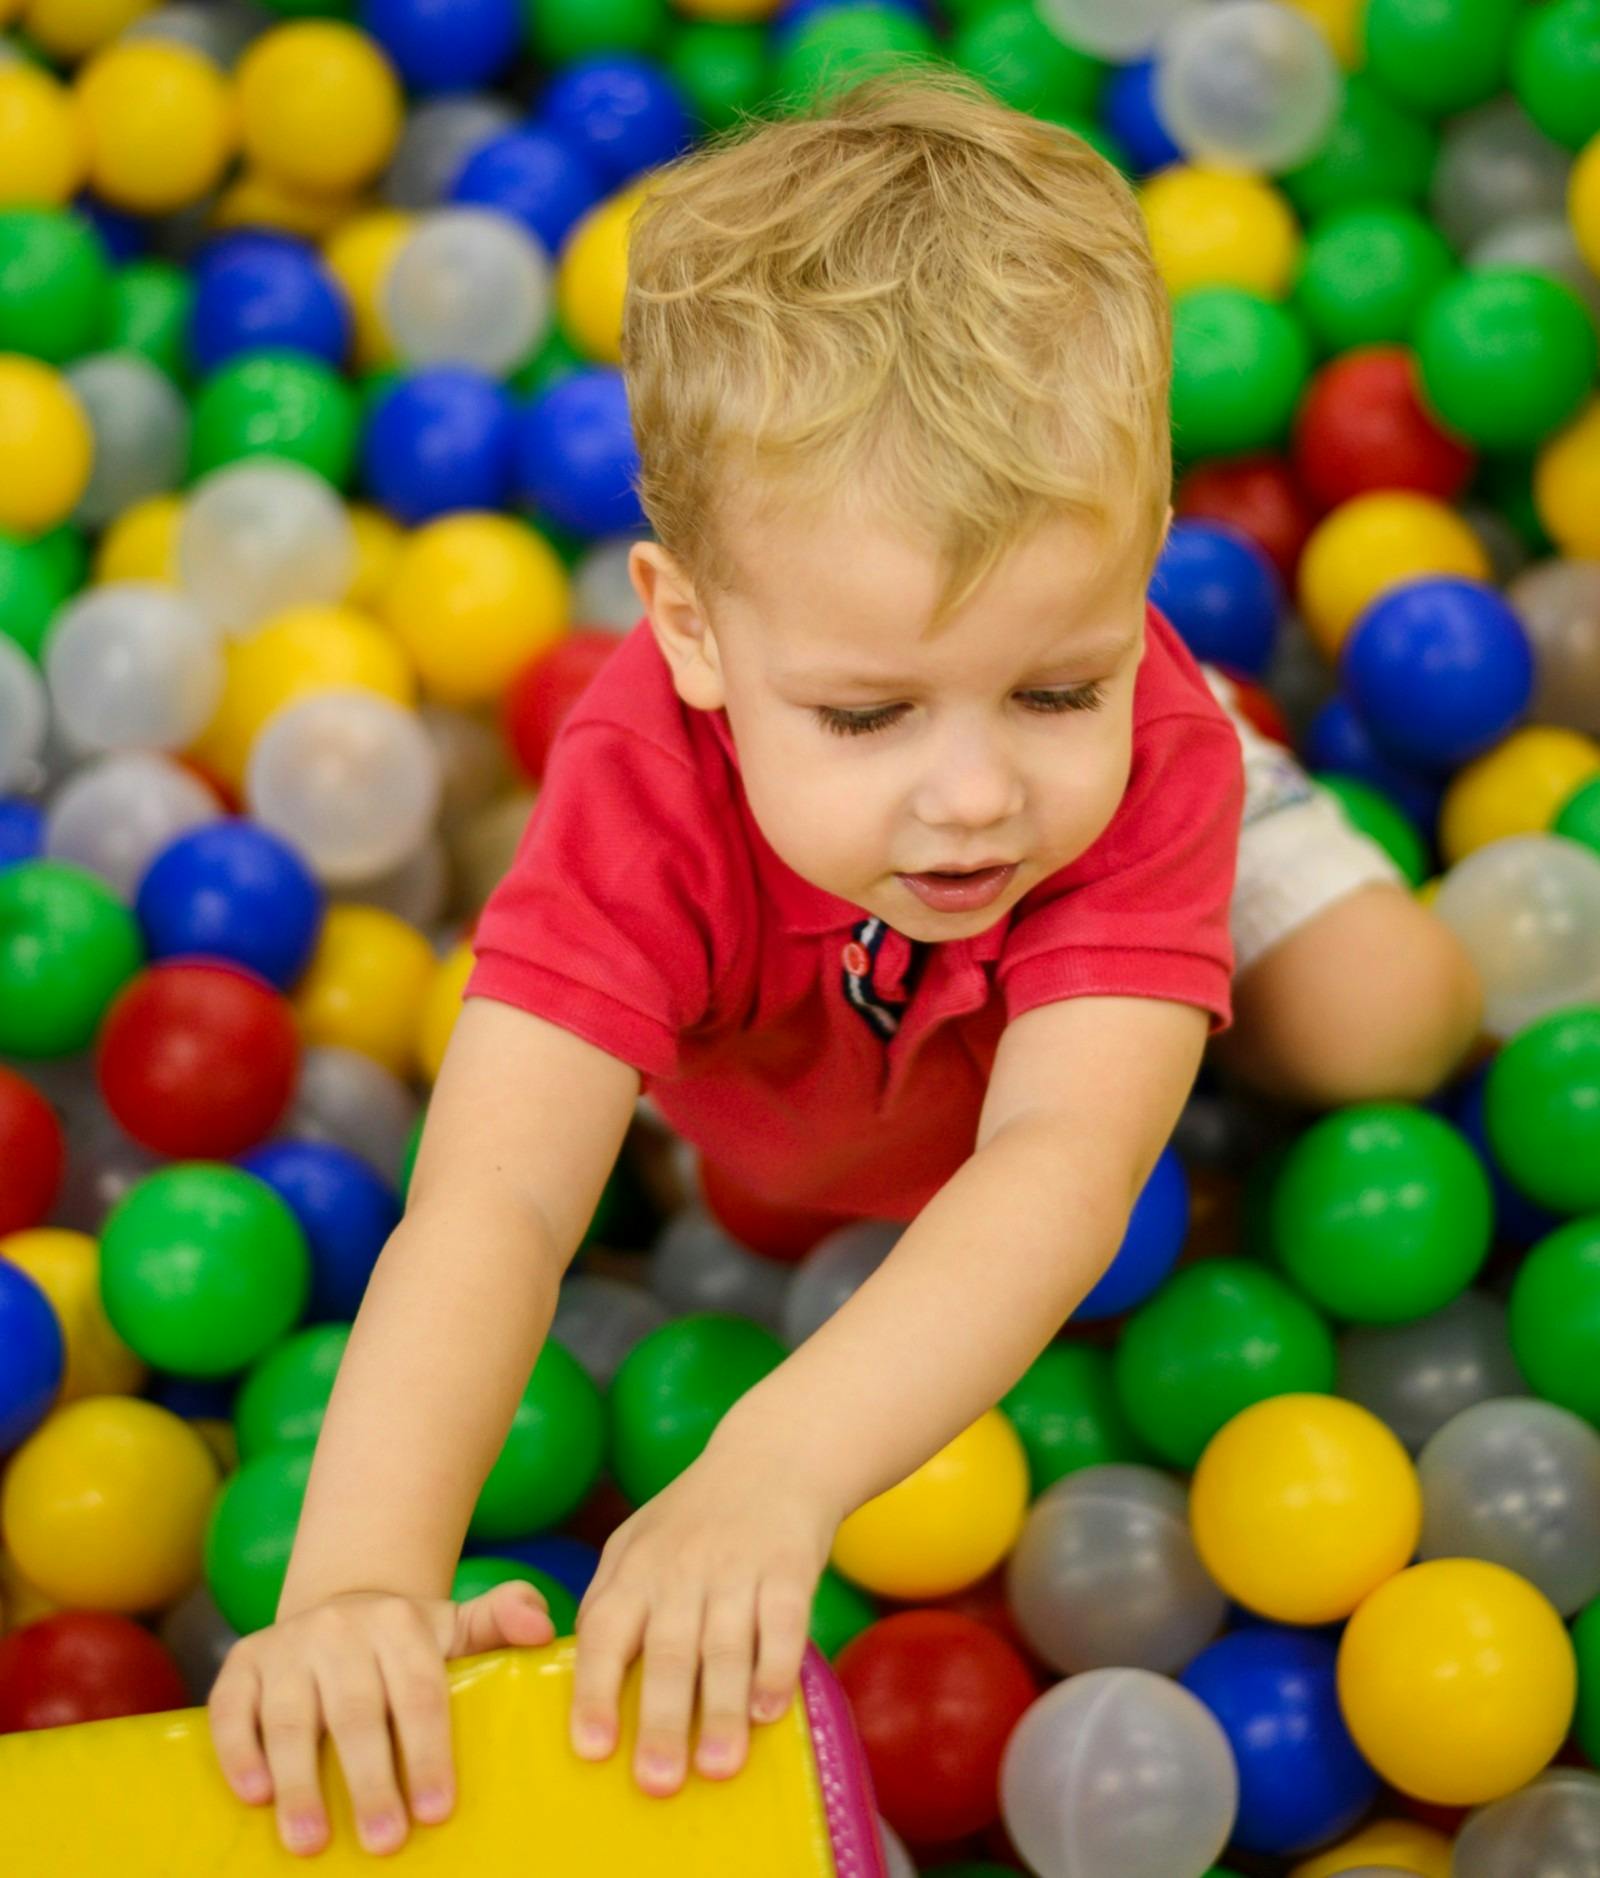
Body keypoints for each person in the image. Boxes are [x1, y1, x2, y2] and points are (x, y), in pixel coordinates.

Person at [207, 70, 1482, 1860]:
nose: (971, 795)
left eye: (1058, 679)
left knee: (1392, 1018)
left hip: (1091, 930)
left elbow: (1060, 1166)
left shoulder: (1131, 773)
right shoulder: (649, 782)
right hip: (765, 968)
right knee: (657, 1075)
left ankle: (1234, 808)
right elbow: (491, 1204)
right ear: (690, 632)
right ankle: (561, 912)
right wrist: (355, 1581)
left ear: (1147, 558)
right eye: (870, 708)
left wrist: (772, 1469)